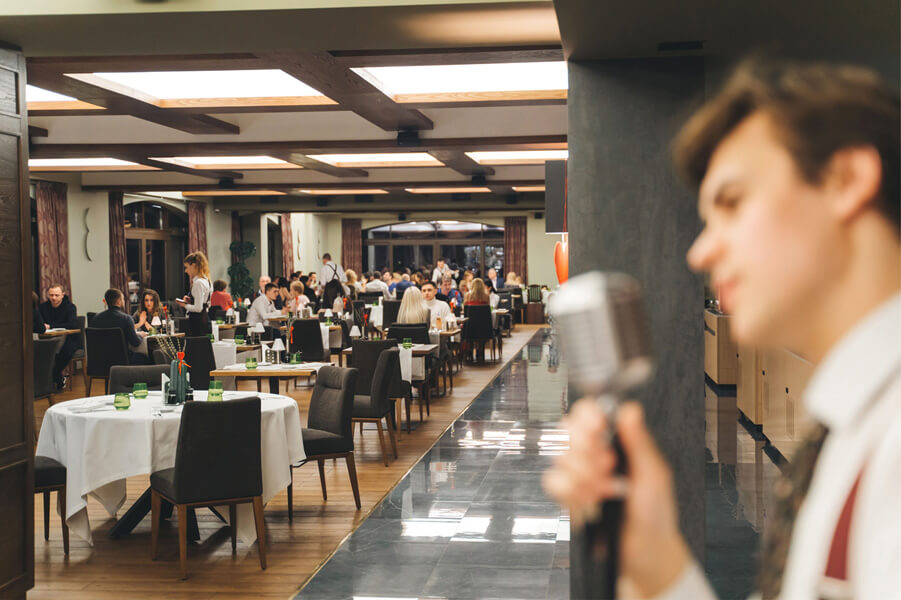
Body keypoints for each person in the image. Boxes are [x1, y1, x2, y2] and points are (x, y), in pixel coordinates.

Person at [544, 58, 901, 600]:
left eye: (732, 203)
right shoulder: (852, 427)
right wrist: (659, 564)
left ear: (845, 179)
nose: (700, 252)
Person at [38, 284, 81, 388]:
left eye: (56, 295)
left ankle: (53, 376)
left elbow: (72, 324)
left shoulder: (70, 307)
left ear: (62, 295)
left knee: (65, 352)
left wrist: (51, 326)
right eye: (51, 295)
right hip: (49, 338)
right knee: (40, 351)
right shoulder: (43, 307)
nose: (53, 298)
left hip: (69, 338)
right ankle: (54, 380)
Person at [92, 288, 150, 365]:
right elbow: (135, 342)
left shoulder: (96, 318)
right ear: (119, 301)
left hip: (100, 360)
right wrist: (141, 335)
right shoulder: (126, 319)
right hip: (122, 359)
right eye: (123, 299)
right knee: (147, 358)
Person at [179, 252, 212, 336]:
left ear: (193, 265)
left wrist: (184, 305)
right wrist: (191, 301)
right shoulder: (207, 281)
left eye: (186, 267)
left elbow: (198, 308)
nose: (185, 271)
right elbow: (207, 304)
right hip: (204, 318)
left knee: (195, 343)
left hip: (197, 321)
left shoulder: (198, 283)